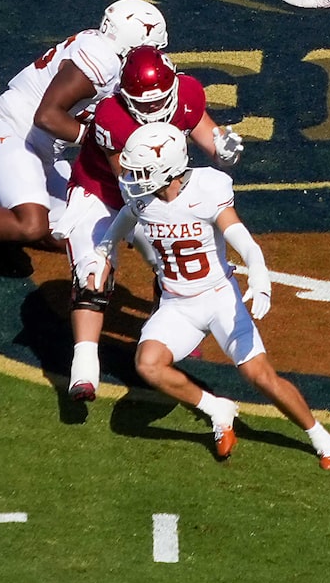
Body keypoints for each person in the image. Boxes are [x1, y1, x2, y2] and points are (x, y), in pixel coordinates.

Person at [109, 123, 330, 469]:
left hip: (219, 298)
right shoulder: (142, 199)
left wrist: (260, 275)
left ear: (168, 169)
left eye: (142, 171)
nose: (133, 177)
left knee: (260, 376)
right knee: (148, 365)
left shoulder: (206, 188)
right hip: (177, 305)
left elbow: (244, 240)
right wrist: (106, 252)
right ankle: (216, 408)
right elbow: (125, 218)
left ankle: (320, 435)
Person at [0, 0, 169, 276]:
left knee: (76, 230)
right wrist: (97, 137)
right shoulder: (102, 62)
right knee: (31, 225)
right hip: (8, 132)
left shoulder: (104, 50)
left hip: (38, 150)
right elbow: (47, 116)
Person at [61, 45, 243, 402]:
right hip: (104, 191)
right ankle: (84, 366)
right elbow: (129, 182)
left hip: (158, 189)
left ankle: (173, 330)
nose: (150, 111)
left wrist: (224, 148)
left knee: (175, 260)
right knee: (93, 275)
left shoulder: (188, 92)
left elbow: (203, 129)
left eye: (156, 101)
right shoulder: (111, 115)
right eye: (140, 104)